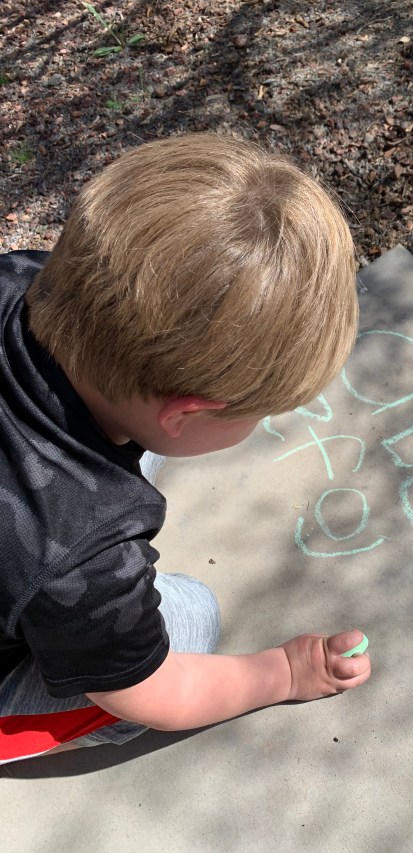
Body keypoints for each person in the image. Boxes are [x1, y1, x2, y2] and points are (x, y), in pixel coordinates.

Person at [0, 134, 370, 764]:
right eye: (257, 413)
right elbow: (152, 693)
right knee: (194, 615)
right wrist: (283, 672)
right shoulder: (79, 551)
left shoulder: (23, 275)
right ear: (187, 413)